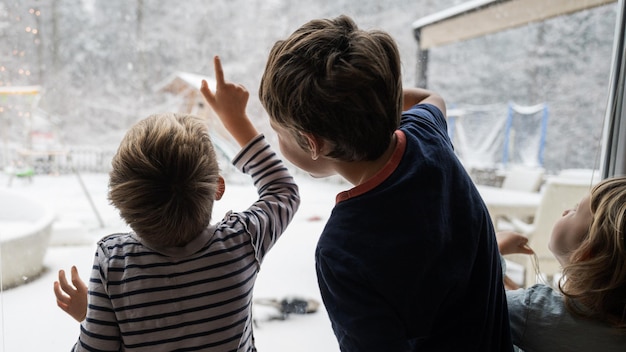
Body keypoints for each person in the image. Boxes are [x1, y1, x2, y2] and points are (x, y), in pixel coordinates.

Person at [258, 15, 512, 351]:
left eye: (278, 131)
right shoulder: (426, 136)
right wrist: (369, 101)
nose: (275, 138)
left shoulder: (343, 249)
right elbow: (432, 98)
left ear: (314, 143)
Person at [53, 55, 300, 351]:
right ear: (217, 187)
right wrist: (237, 120)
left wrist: (90, 317)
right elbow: (283, 190)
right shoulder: (240, 242)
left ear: (120, 199)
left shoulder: (115, 263)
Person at [497, 176, 626, 351]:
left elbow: (475, 304)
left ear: (586, 253)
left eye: (575, 210)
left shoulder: (533, 310)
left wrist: (495, 250)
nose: (566, 211)